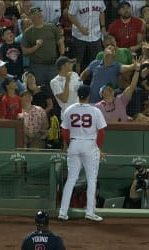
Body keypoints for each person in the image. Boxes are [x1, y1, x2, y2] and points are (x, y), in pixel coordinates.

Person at [58, 85, 107, 222]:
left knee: (71, 179)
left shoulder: (69, 109)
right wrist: (97, 148)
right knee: (92, 179)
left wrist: (70, 144)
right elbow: (102, 132)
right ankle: (90, 212)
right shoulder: (95, 111)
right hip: (90, 144)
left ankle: (63, 212)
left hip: (74, 143)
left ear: (78, 95)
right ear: (89, 96)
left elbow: (64, 131)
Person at [21, 6, 65, 86]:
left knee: (55, 88)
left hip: (53, 65)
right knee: (39, 89)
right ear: (31, 17)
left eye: (40, 13)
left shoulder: (51, 27)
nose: (40, 15)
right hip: (37, 66)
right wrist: (36, 47)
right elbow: (24, 52)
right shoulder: (28, 33)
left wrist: (61, 56)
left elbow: (60, 42)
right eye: (37, 14)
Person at [67, 0, 106, 73]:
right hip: (79, 36)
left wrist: (103, 26)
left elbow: (101, 12)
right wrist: (80, 27)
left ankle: (94, 81)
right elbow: (70, 15)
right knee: (77, 61)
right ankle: (76, 81)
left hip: (95, 35)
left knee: (97, 60)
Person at [50, 56, 83, 121]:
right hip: (67, 114)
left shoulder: (75, 75)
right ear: (63, 66)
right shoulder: (54, 82)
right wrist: (67, 81)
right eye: (69, 63)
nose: (72, 65)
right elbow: (64, 99)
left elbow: (81, 91)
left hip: (80, 111)